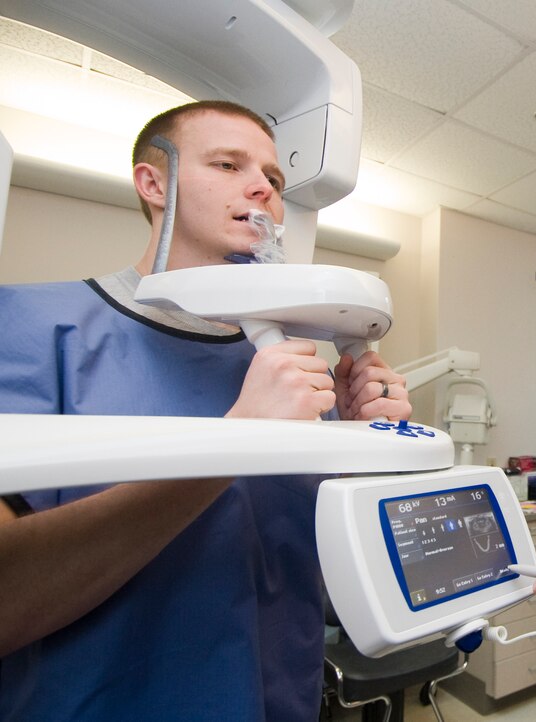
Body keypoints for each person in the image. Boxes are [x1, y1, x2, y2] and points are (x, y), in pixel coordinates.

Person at [0, 100, 411, 720]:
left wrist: (366, 454)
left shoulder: (300, 372)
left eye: (273, 180)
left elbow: (325, 578)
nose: (263, 190)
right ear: (153, 183)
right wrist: (236, 442)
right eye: (227, 164)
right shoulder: (29, 327)